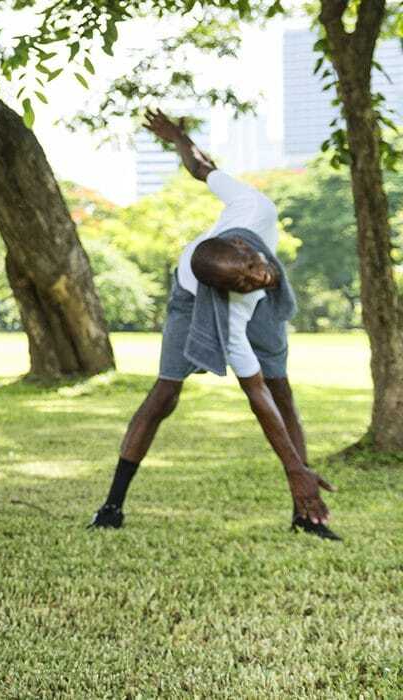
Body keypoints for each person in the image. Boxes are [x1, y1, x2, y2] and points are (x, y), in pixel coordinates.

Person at [89, 108, 337, 539]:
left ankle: (305, 515)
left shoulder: (253, 207)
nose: (259, 277)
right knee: (165, 394)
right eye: (245, 281)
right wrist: (295, 469)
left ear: (242, 244)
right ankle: (112, 506)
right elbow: (252, 393)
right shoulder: (229, 301)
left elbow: (202, 169)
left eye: (254, 269)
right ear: (227, 289)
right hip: (191, 302)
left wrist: (177, 138)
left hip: (253, 302)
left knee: (283, 387)